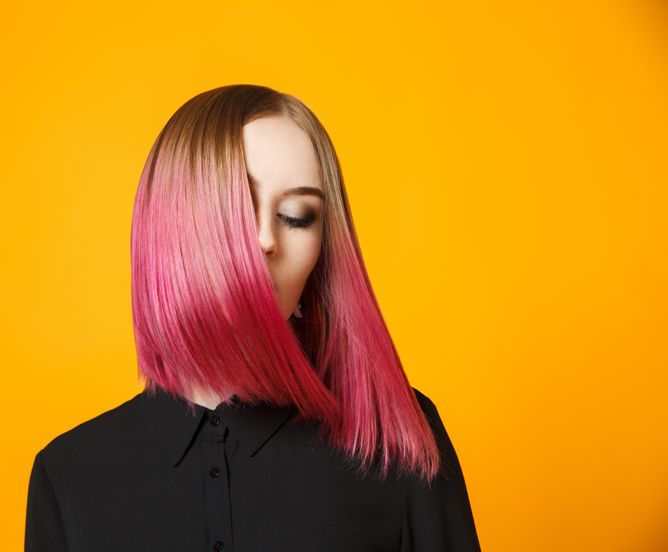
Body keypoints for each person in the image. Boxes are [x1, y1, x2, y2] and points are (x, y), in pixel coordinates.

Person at [24, 84, 481, 551]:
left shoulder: (396, 438)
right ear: (173, 227)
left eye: (297, 215)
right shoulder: (67, 477)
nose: (265, 240)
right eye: (237, 206)